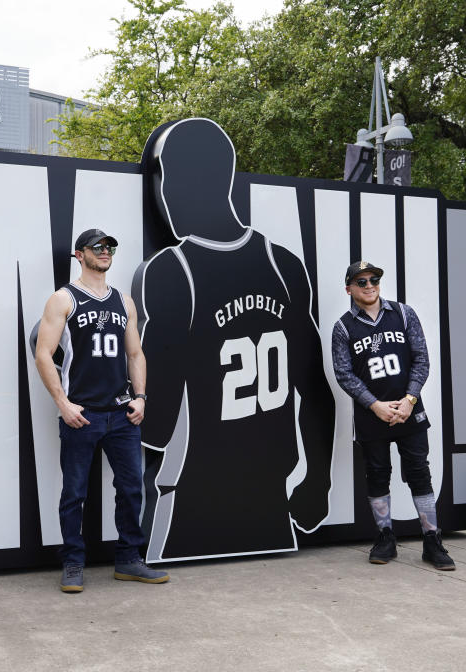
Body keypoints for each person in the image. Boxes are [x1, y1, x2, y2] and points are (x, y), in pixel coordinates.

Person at [136, 118, 334, 562]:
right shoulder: (283, 264)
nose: (162, 193)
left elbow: (155, 421)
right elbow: (317, 390)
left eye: (166, 177)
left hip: (196, 507)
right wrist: (318, 480)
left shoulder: (173, 272)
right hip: (270, 502)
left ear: (191, 181)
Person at [35, 228, 169, 593]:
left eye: (109, 246)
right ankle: (73, 563)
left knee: (131, 489)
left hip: (122, 413)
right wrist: (63, 403)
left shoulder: (124, 301)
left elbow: (135, 353)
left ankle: (128, 559)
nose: (105, 251)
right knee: (74, 493)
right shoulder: (63, 299)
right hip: (83, 414)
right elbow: (43, 354)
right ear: (80, 254)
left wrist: (140, 397)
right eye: (97, 246)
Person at [331, 261, 454, 570]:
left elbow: (421, 359)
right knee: (377, 473)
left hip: (409, 410)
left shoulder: (403, 313)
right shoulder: (344, 327)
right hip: (372, 414)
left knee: (418, 472)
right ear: (349, 289)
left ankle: (432, 540)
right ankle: (385, 537)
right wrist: (376, 406)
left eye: (373, 279)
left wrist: (410, 399)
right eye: (361, 282)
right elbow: (344, 374)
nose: (369, 285)